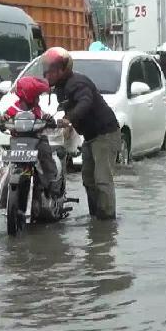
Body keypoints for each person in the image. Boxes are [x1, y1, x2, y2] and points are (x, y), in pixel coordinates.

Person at [42, 47, 121, 220]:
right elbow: (67, 105)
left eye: (51, 71)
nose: (47, 75)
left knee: (102, 179)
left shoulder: (77, 83)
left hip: (105, 135)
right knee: (88, 179)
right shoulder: (61, 87)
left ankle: (106, 223)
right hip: (90, 137)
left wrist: (69, 118)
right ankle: (95, 217)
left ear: (62, 70)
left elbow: (85, 102)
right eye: (46, 71)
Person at [0, 76, 58, 194]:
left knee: (46, 157)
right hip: (18, 142)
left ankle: (52, 183)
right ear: (29, 96)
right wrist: (2, 119)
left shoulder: (37, 109)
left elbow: (45, 117)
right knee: (5, 165)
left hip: (37, 141)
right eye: (37, 96)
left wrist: (49, 120)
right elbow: (3, 117)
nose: (38, 98)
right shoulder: (13, 109)